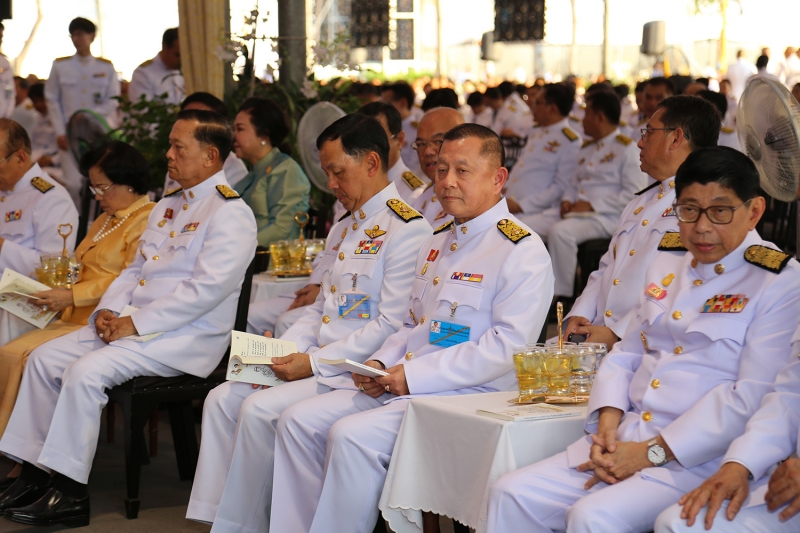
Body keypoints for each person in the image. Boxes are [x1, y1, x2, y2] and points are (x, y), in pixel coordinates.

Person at [485, 146, 800, 533]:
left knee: (591, 517)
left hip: (695, 458)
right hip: (625, 437)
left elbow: (751, 396)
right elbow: (628, 351)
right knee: (510, 493)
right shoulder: (668, 258)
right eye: (689, 210)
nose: (701, 226)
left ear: (754, 211)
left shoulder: (777, 280)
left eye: (720, 211)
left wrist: (650, 453)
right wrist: (608, 422)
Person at [268, 124, 555, 533]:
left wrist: (412, 376)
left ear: (498, 178)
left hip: (470, 395)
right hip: (407, 382)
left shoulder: (521, 250)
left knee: (350, 436)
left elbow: (505, 348)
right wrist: (379, 363)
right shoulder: (437, 241)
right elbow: (410, 325)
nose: (447, 181)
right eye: (441, 170)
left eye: (462, 170)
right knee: (298, 420)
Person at [0, 110, 257, 527]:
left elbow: (205, 291)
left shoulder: (231, 213)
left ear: (211, 156)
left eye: (178, 147)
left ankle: (70, 493)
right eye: (170, 145)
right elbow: (135, 271)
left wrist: (134, 324)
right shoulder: (168, 205)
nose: (168, 154)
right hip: (134, 324)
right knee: (44, 359)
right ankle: (33, 473)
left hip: (183, 336)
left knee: (84, 372)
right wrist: (108, 311)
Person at [186, 114, 432, 531]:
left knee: (259, 410)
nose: (330, 183)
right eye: (327, 172)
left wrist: (313, 363)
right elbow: (320, 309)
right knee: (222, 399)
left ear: (372, 163)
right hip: (319, 359)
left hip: (355, 372)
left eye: (338, 172)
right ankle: (222, 518)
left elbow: (391, 324)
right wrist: (286, 352)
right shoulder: (348, 226)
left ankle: (251, 525)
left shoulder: (407, 229)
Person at [0, 141, 154, 464]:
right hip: (70, 311)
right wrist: (55, 281)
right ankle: (19, 455)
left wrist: (71, 295)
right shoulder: (105, 219)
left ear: (129, 183)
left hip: (97, 319)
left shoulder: (146, 219)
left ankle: (30, 461)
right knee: (10, 350)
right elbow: (80, 265)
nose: (97, 196)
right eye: (93, 188)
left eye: (102, 188)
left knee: (27, 357)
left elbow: (127, 279)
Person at [564, 95, 721, 350]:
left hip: (646, 344)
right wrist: (580, 314)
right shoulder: (640, 202)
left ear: (675, 138)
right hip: (596, 336)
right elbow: (606, 268)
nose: (639, 142)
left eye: (648, 132)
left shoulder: (701, 210)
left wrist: (616, 333)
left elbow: (677, 286)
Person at [545, 90, 647, 302]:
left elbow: (634, 193)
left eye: (587, 114)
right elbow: (574, 183)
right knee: (529, 225)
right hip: (578, 214)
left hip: (607, 216)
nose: (582, 120)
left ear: (599, 117)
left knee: (560, 233)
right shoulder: (587, 148)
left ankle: (562, 296)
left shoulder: (627, 148)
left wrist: (591, 205)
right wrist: (567, 200)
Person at [0, 119, 78, 347]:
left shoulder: (51, 198)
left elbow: (54, 271)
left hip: (26, 299)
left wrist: (2, 247)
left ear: (20, 157)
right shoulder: (5, 187)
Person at [45, 17, 120, 207]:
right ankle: (75, 220)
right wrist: (60, 132)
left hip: (98, 132)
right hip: (70, 134)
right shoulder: (60, 66)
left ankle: (96, 219)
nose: (76, 39)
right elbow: (52, 99)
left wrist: (90, 117)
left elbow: (113, 98)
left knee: (101, 180)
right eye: (73, 35)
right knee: (73, 183)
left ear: (92, 36)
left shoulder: (105, 67)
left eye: (80, 34)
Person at [503, 83, 582, 234]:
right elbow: (522, 167)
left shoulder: (570, 140)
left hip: (538, 212)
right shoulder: (536, 131)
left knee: (506, 232)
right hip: (512, 203)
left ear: (552, 108)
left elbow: (561, 187)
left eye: (537, 102)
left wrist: (521, 205)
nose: (532, 107)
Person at [232, 97, 310, 248]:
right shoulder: (253, 173)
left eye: (240, 129)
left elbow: (281, 228)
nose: (234, 135)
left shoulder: (285, 169)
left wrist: (238, 248)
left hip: (271, 258)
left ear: (264, 135)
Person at [163, 92, 248, 191]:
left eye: (202, 117)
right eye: (187, 115)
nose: (169, 154)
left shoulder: (234, 168)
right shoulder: (177, 164)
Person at [411, 107, 464, 225]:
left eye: (438, 141)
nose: (427, 151)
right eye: (421, 144)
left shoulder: (473, 200)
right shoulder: (423, 197)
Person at [129, 28, 183, 105]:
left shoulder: (184, 71)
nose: (181, 60)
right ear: (165, 47)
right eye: (177, 55)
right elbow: (142, 109)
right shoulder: (143, 73)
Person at [385, 82, 424, 178]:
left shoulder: (417, 131)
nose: (383, 108)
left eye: (388, 104)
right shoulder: (384, 127)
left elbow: (415, 167)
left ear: (403, 102)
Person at [27, 84, 59, 172]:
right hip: (34, 158)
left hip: (54, 163)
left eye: (42, 100)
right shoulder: (34, 117)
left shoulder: (60, 119)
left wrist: (52, 160)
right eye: (35, 101)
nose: (39, 105)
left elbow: (67, 148)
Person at [0, 23, 15, 120]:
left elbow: (9, 90)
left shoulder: (4, 62)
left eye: (1, 37)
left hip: (2, 116)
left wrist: (8, 114)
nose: (1, 40)